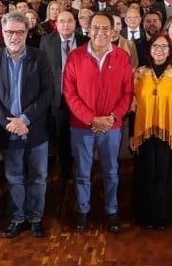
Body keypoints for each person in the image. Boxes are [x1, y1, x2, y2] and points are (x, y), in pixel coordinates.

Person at [0, 12, 54, 239]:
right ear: (2, 33)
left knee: (37, 177)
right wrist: (9, 123)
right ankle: (17, 217)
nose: (14, 36)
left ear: (26, 33)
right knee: (14, 177)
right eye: (9, 32)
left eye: (19, 32)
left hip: (35, 129)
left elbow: (47, 92)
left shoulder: (39, 57)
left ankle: (35, 218)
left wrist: (24, 120)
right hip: (8, 131)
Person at [63, 12, 133, 233]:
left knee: (111, 171)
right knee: (83, 172)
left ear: (113, 32)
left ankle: (111, 211)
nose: (100, 33)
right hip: (82, 127)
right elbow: (69, 94)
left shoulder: (122, 56)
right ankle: (83, 210)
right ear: (88, 30)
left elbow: (128, 93)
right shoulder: (76, 56)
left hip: (112, 127)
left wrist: (112, 118)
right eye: (96, 28)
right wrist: (91, 119)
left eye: (105, 28)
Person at [131, 34, 172, 229]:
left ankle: (164, 216)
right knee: (146, 174)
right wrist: (132, 135)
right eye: (156, 46)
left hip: (170, 135)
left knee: (166, 175)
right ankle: (146, 216)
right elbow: (133, 106)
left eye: (164, 47)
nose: (160, 50)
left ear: (170, 50)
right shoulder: (139, 73)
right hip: (145, 135)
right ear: (149, 49)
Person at [40, 11, 89, 181]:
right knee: (62, 138)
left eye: (69, 21)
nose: (66, 24)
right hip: (58, 99)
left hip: (82, 100)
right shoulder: (46, 41)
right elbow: (43, 72)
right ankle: (66, 172)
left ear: (75, 23)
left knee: (82, 137)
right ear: (56, 24)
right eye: (62, 21)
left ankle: (83, 170)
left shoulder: (85, 41)